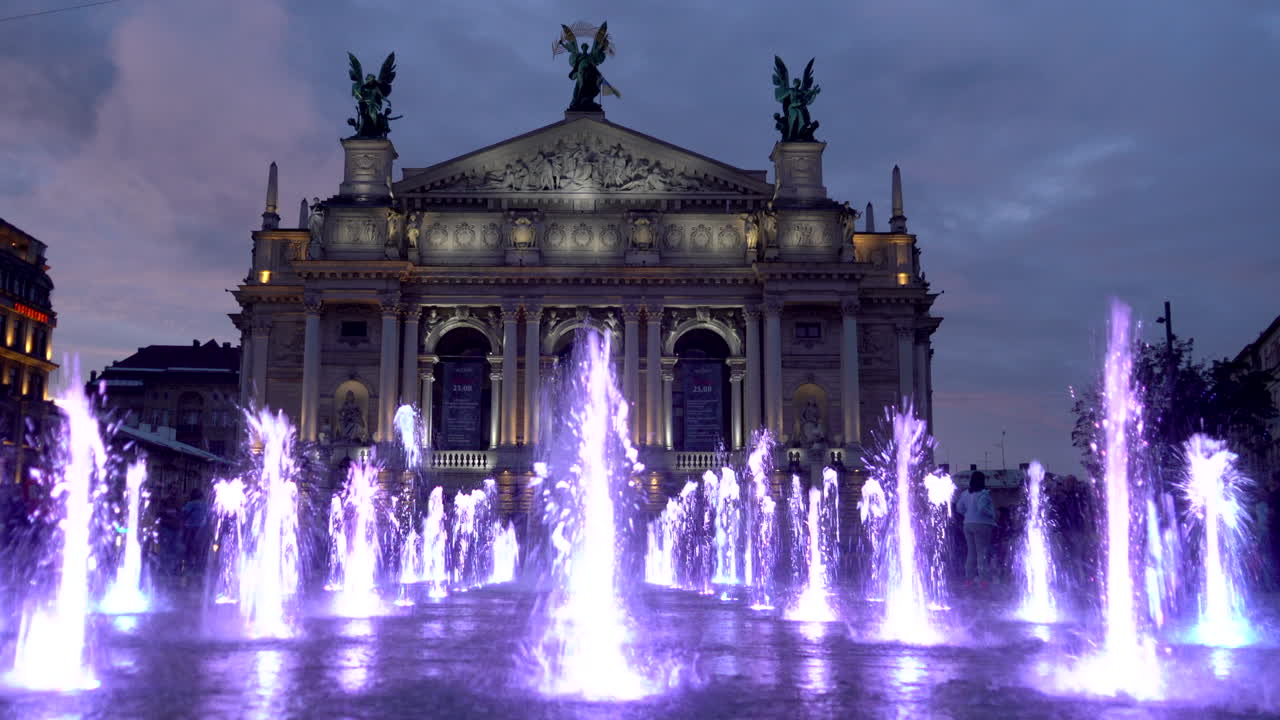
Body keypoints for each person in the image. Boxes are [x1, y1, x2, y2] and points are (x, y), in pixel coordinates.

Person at [955, 471, 997, 585]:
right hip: (982, 525)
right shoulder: (984, 493)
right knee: (981, 553)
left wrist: (968, 514)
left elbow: (959, 508)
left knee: (971, 553)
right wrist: (992, 515)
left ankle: (969, 579)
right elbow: (982, 508)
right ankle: (984, 581)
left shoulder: (965, 494)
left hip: (967, 524)